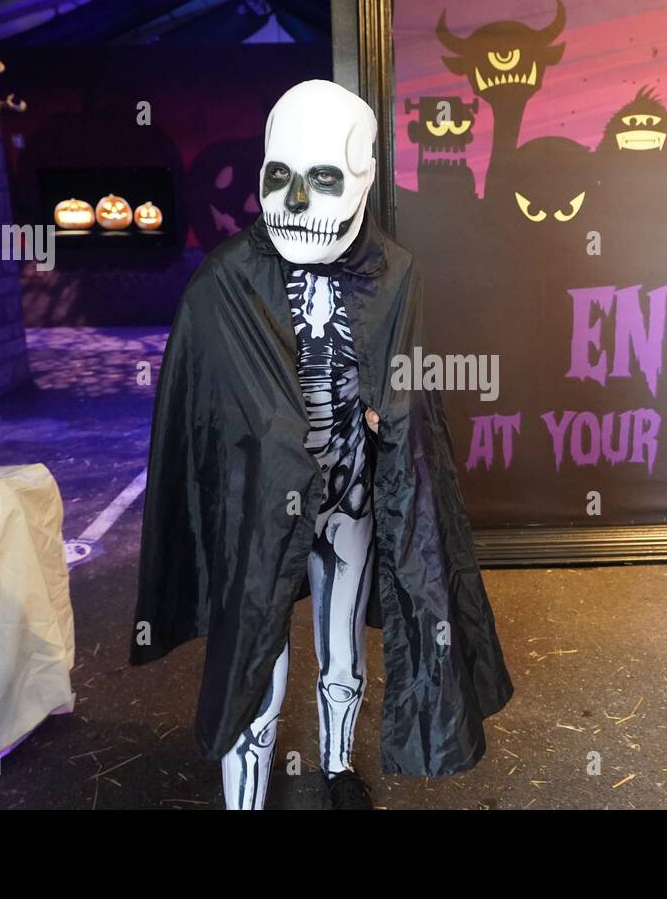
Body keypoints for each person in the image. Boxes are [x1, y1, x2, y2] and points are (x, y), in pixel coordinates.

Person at [130, 80, 513, 809]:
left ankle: (336, 771)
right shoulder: (226, 282)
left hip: (350, 495)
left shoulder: (396, 273)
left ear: (363, 178)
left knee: (343, 652)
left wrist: (385, 418)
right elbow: (200, 412)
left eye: (324, 180)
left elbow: (407, 393)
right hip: (260, 503)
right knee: (255, 661)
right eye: (281, 180)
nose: (298, 204)